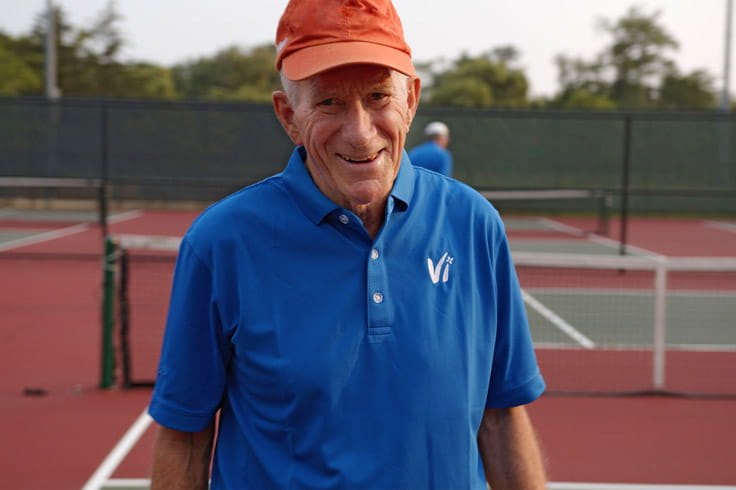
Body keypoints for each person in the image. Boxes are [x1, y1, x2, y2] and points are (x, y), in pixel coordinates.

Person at [148, 0, 547, 488]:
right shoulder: (221, 243)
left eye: (379, 96)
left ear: (412, 101)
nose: (360, 134)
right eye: (329, 102)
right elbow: (185, 437)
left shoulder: (474, 224)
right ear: (288, 115)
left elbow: (501, 415)